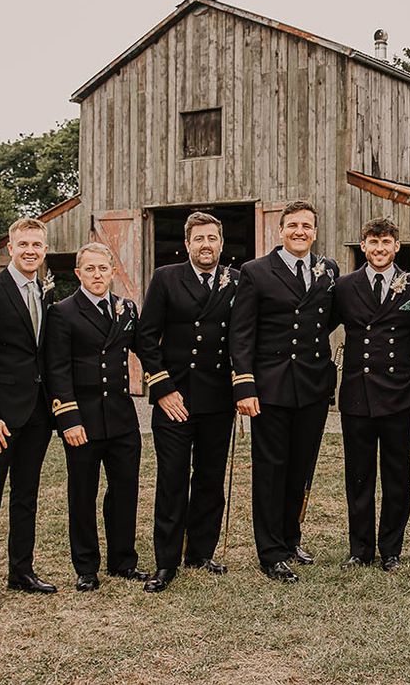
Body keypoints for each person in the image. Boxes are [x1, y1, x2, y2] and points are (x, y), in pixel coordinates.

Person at [230, 200, 338, 583]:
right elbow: (241, 333)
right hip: (270, 387)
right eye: (293, 225)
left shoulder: (328, 270)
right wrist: (244, 384)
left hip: (311, 385)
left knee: (301, 468)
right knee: (271, 470)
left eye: (307, 226)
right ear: (280, 230)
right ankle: (271, 551)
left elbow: (329, 318)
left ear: (315, 231)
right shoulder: (255, 272)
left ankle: (291, 539)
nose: (300, 232)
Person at [137, 212, 238, 593]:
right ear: (188, 244)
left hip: (217, 399)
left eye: (213, 238)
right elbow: (146, 337)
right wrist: (162, 389)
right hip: (174, 398)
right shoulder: (166, 278)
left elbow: (242, 335)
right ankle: (165, 563)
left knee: (210, 479)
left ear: (221, 244)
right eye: (199, 238)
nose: (206, 245)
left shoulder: (236, 280)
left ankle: (200, 552)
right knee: (173, 478)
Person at [45, 242, 147, 591]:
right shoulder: (62, 311)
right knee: (82, 494)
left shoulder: (126, 309)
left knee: (124, 491)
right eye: (90, 269)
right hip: (82, 420)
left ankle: (123, 561)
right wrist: (68, 419)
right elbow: (56, 370)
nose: (97, 275)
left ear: (113, 271)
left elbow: (146, 348)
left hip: (121, 418)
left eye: (103, 268)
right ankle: (86, 567)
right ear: (78, 274)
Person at [0, 218, 57, 611]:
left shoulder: (43, 291)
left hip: (37, 413)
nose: (31, 251)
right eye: (24, 245)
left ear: (44, 249)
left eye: (37, 245)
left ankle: (21, 570)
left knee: (26, 495)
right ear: (10, 246)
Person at [332, 217, 410, 572]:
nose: (380, 249)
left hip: (398, 392)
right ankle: (360, 550)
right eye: (373, 242)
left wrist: (400, 355)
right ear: (363, 246)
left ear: (396, 246)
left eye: (386, 242)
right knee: (359, 475)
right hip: (357, 392)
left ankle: (391, 550)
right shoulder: (344, 286)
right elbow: (324, 324)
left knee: (396, 474)